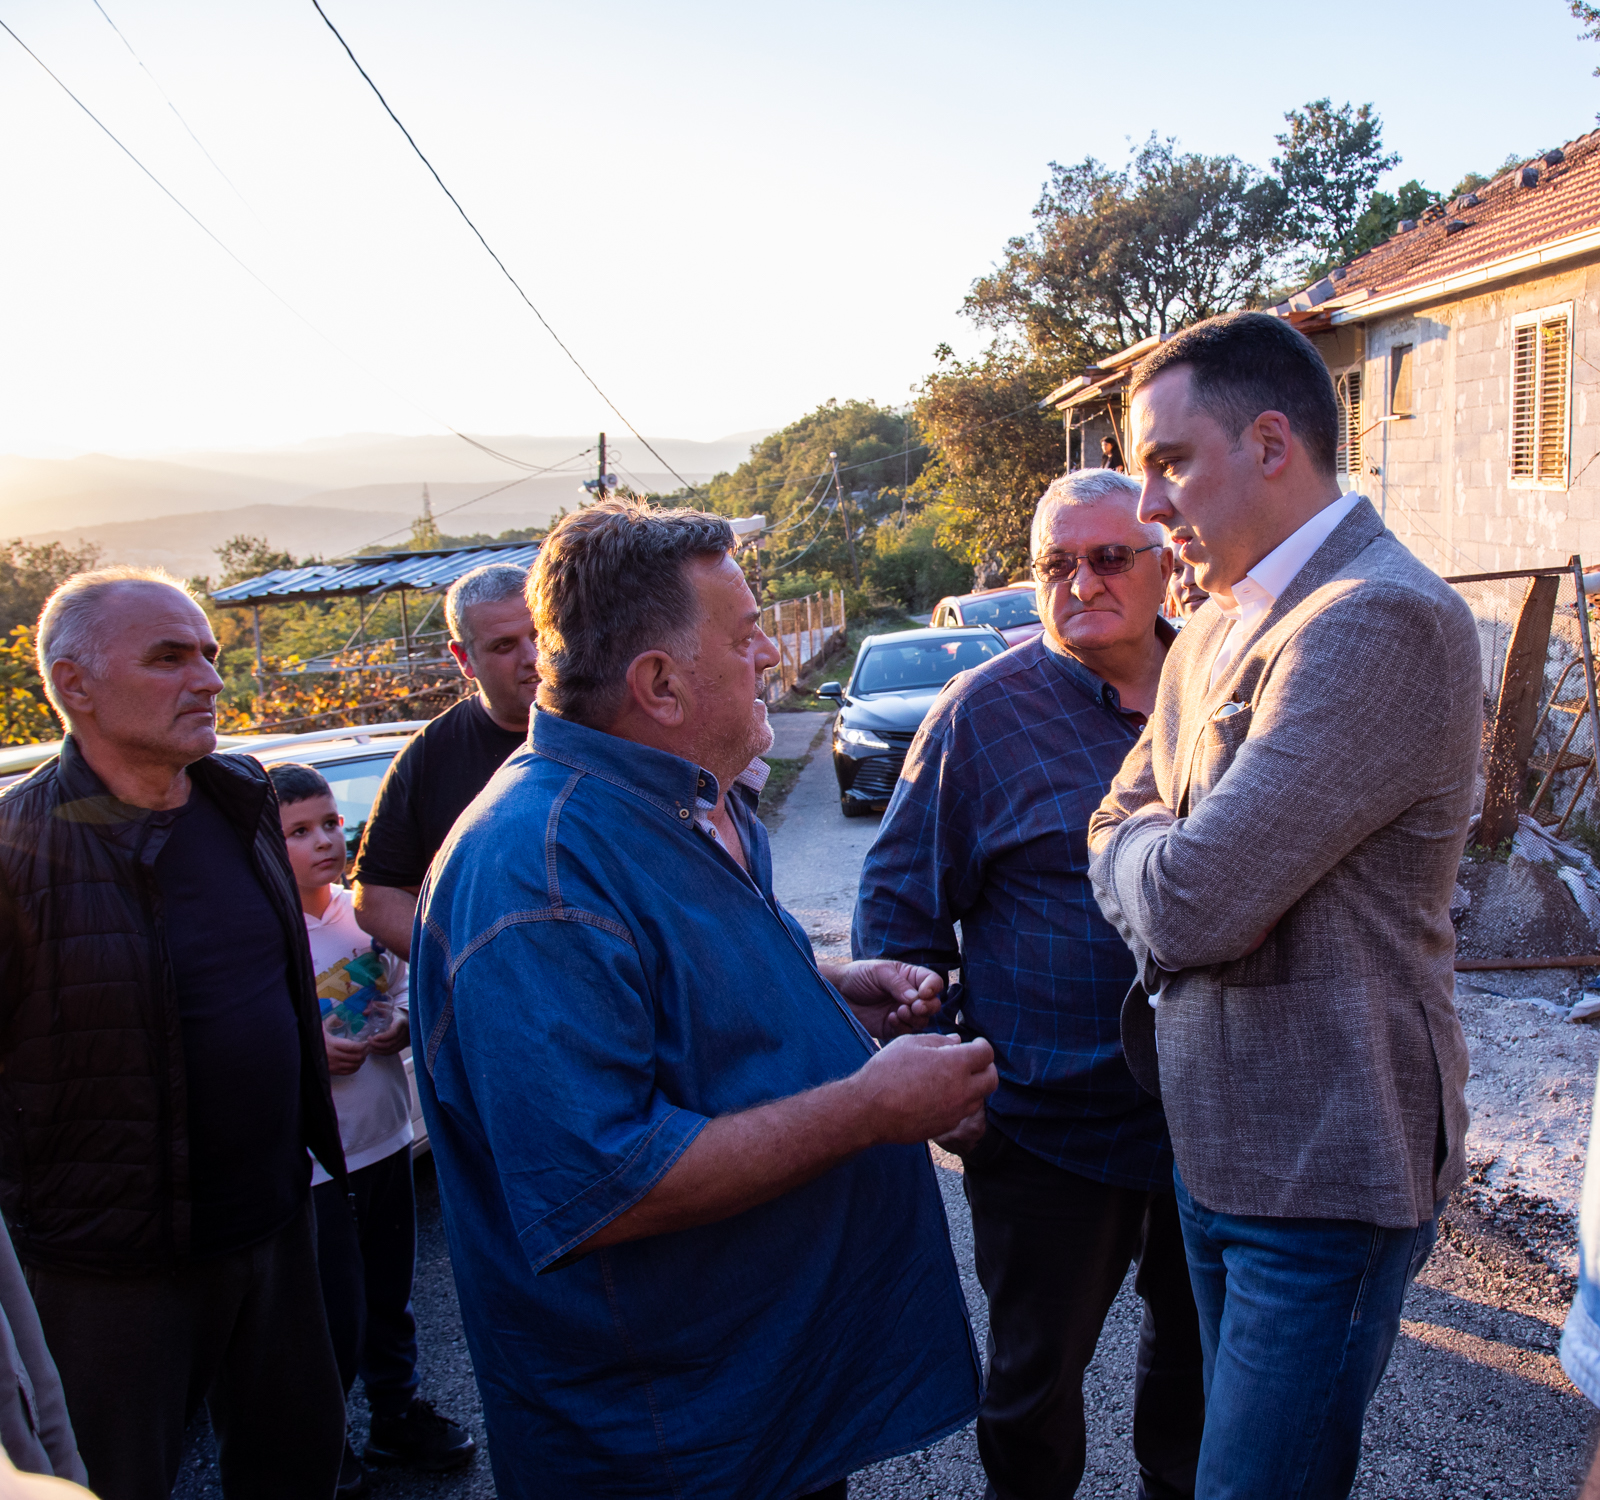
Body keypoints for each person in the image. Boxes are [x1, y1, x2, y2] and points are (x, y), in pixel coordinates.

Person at [410, 500, 998, 1499]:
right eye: (746, 633)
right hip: (674, 1444)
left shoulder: (683, 797)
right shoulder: (539, 871)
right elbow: (601, 1188)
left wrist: (826, 999)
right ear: (660, 683)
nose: (770, 654)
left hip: (763, 1407)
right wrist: (871, 1107)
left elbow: (675, 1003)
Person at [1087, 312, 1480, 1500]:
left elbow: (1196, 905)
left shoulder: (1377, 618)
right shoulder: (1211, 622)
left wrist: (1158, 859)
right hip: (1213, 1151)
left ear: (1270, 443)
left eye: (1168, 463)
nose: (1147, 508)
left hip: (1323, 1169)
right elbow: (1114, 817)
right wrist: (1156, 852)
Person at [854, 469, 1203, 1500]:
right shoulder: (981, 716)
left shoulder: (1224, 687)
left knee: (1196, 1369)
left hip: (1216, 1126)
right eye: (1056, 563)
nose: (1080, 583)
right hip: (1050, 1132)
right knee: (1032, 1387)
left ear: (1162, 562)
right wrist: (951, 1089)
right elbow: (899, 915)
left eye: (1107, 557)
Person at [0, 567, 346, 1500]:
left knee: (298, 1462)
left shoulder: (241, 800)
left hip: (276, 1221)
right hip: (110, 1270)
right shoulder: (16, 852)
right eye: (169, 658)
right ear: (74, 685)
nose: (209, 679)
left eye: (211, 655)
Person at [270, 763, 475, 1498]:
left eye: (329, 823)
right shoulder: (266, 932)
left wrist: (395, 1024)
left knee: (392, 1294)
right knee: (331, 1311)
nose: (325, 840)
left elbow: (396, 990)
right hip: (316, 1164)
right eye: (299, 831)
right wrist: (305, 1054)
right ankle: (323, 1445)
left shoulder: (361, 915)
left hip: (386, 1138)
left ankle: (396, 1415)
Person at [352, 561, 539, 958]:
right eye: (504, 645)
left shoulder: (615, 726)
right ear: (463, 658)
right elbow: (375, 897)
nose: (532, 656)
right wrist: (465, 964)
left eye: (540, 634)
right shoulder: (429, 756)